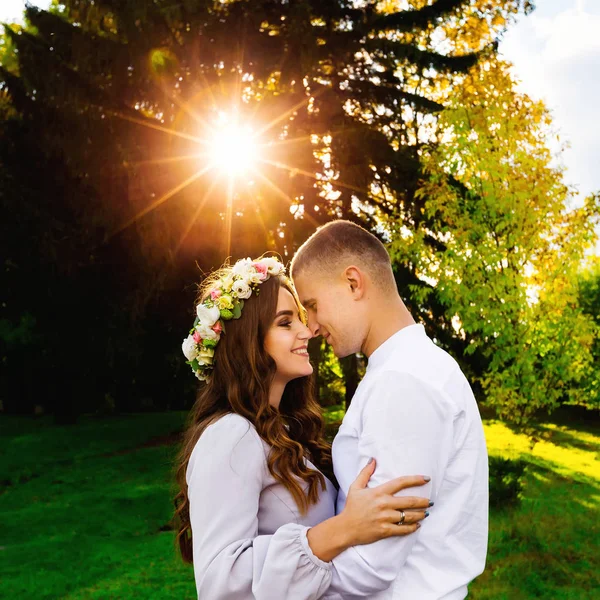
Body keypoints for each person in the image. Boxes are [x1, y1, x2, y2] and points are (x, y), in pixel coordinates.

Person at [173, 256, 431, 599]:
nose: (307, 331)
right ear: (248, 341)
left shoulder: (286, 432)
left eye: (302, 318)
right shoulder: (230, 435)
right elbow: (220, 582)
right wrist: (346, 528)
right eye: (285, 322)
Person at [290, 220, 489, 599]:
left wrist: (285, 582)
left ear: (353, 283)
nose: (311, 327)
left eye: (312, 306)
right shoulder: (410, 367)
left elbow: (371, 565)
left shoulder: (403, 381)